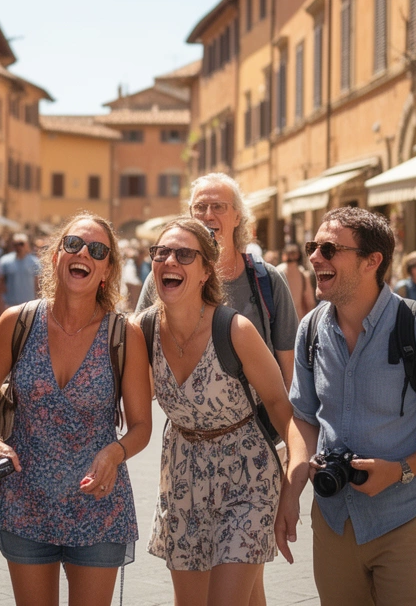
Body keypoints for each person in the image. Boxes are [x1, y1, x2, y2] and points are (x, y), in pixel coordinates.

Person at [276, 207, 416, 605]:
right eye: (312, 247)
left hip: (406, 518)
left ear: (373, 261)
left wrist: (400, 471)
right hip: (334, 519)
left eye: (329, 248)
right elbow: (302, 417)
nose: (315, 257)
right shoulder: (311, 329)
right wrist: (292, 486)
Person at [0, 213, 152, 606]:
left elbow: (141, 426)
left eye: (97, 250)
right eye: (73, 244)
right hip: (25, 501)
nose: (83, 252)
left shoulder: (125, 335)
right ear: (56, 257)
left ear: (106, 270)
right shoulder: (17, 321)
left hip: (98, 504)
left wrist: (115, 452)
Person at [135, 173, 298, 606]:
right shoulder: (148, 316)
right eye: (162, 253)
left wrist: (294, 474)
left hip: (247, 468)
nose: (171, 261)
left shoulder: (252, 306)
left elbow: (282, 393)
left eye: (219, 207)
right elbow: (130, 382)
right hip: (183, 473)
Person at [137, 174, 299, 385]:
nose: (208, 215)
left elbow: (290, 372)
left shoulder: (268, 280)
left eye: (219, 207)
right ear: (190, 216)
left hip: (260, 416)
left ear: (237, 217)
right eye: (200, 207)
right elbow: (140, 361)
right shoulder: (164, 278)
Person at [277, 242, 318, 320]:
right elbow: (310, 302)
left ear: (284, 255)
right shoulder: (302, 274)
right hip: (298, 320)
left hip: (280, 319)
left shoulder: (277, 271)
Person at [0, 233, 41, 308]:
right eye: (16, 244)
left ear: (26, 245)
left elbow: (37, 285)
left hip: (29, 305)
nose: (18, 247)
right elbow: (1, 284)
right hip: (11, 304)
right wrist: (1, 304)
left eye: (21, 244)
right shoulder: (5, 261)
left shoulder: (35, 262)